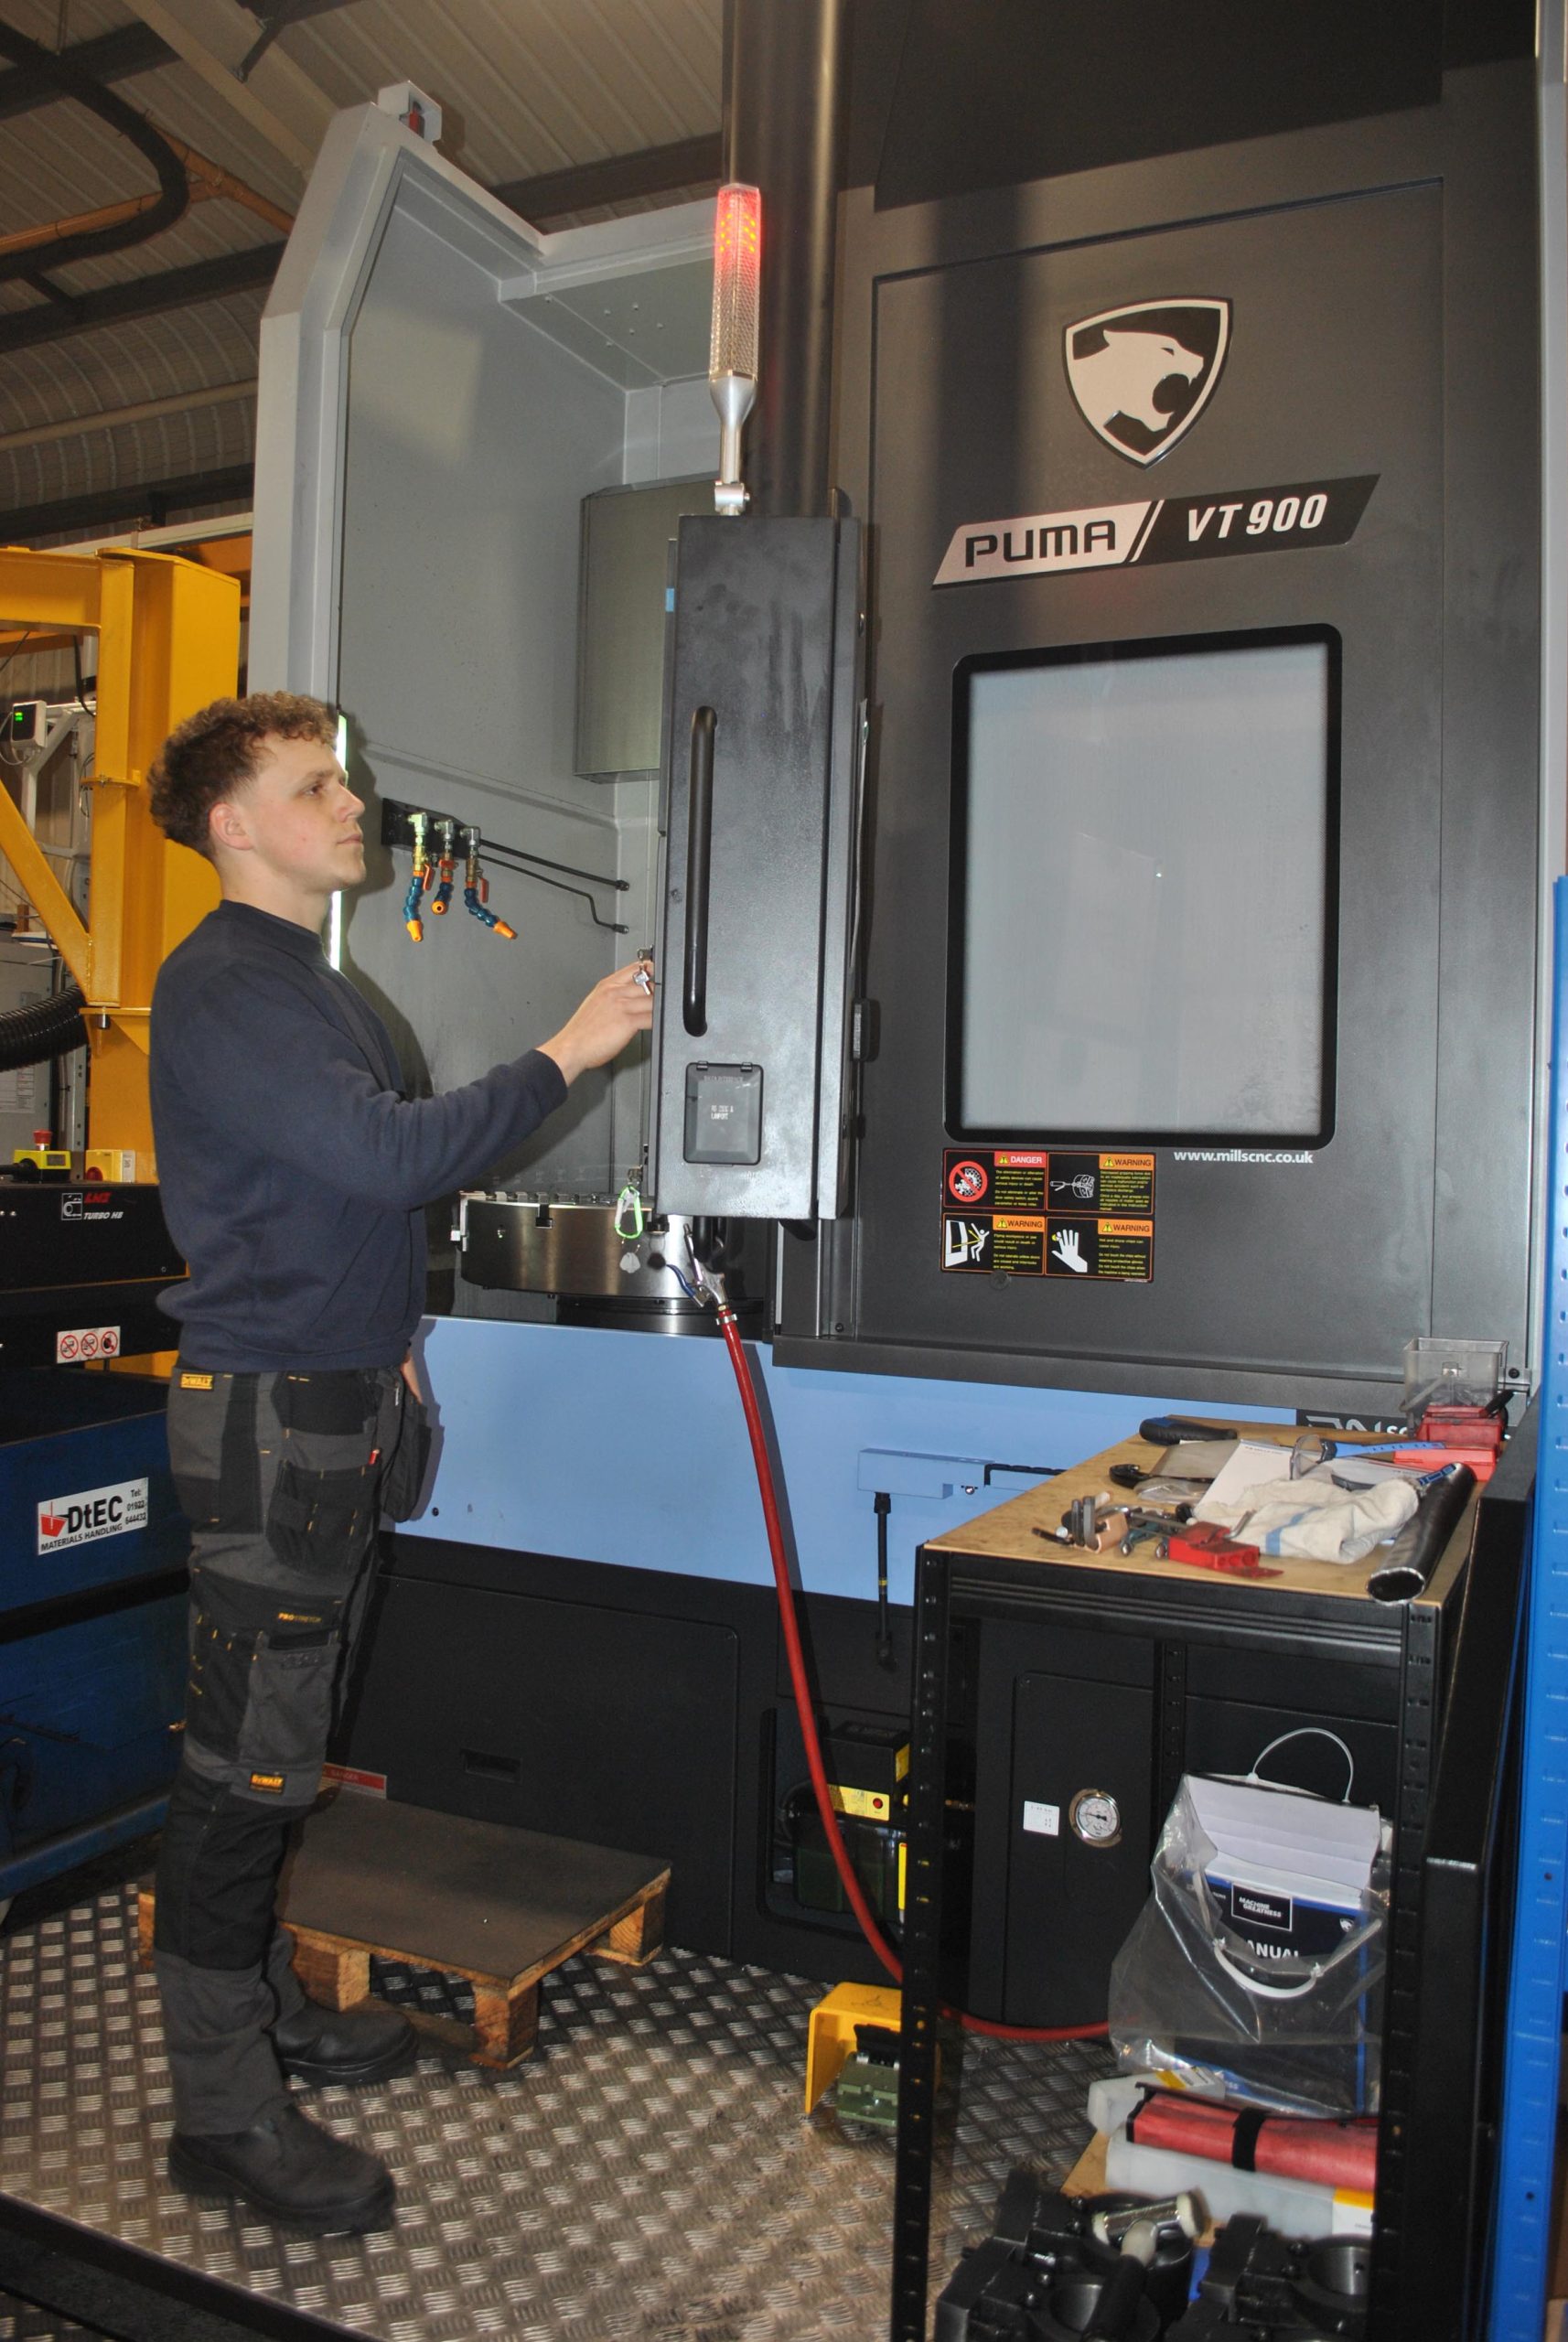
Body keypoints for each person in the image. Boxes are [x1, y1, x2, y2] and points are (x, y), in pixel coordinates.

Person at [145, 691, 652, 2234]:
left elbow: (365, 1202)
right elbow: (393, 1155)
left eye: (346, 780)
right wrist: (566, 1051)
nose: (350, 804)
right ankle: (221, 2114)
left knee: (290, 1738)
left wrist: (401, 1331)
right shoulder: (228, 984)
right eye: (315, 787)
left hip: (341, 1399)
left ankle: (276, 2011)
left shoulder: (319, 985)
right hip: (271, 1423)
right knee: (243, 1769)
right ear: (235, 825)